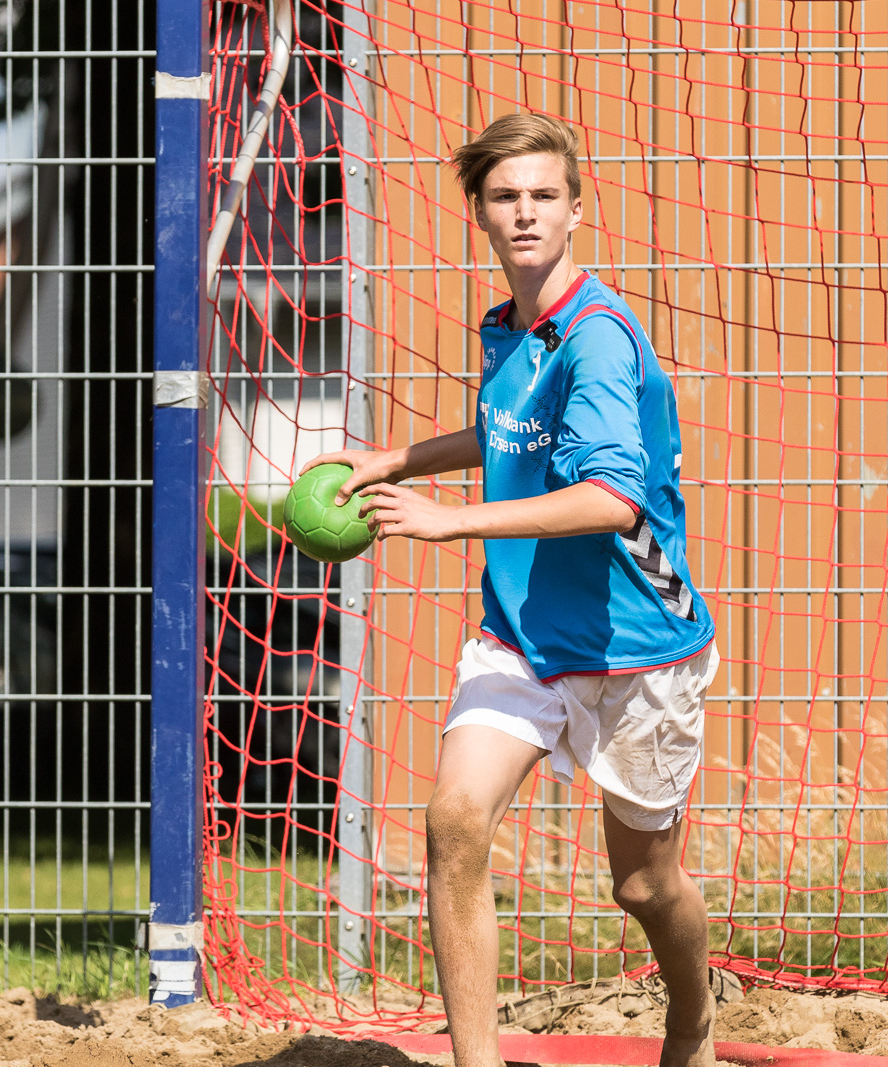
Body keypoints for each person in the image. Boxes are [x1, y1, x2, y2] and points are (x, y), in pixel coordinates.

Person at [305, 111, 719, 1067]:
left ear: (577, 209)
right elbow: (507, 433)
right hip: (522, 634)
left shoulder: (600, 338)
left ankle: (692, 1013)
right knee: (454, 820)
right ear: (482, 215)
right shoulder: (509, 328)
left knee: (645, 889)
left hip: (634, 644)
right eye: (505, 197)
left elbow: (613, 500)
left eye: (543, 195)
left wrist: (446, 520)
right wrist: (396, 457)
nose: (525, 212)